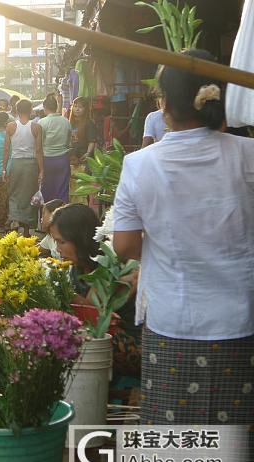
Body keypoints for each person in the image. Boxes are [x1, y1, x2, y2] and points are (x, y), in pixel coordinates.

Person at [113, 49, 254, 437]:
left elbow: (123, 245)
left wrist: (173, 248)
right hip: (240, 320)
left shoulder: (140, 164)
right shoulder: (248, 156)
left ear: (164, 103)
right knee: (234, 442)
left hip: (172, 320)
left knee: (175, 440)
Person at [50, 204, 140, 377]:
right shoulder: (76, 268)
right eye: (55, 242)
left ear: (80, 239)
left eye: (62, 242)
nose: (58, 249)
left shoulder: (111, 264)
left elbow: (92, 313)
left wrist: (62, 292)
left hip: (131, 346)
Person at [3, 99, 44, 237]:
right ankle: (26, 229)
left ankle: (15, 220)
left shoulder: (10, 126)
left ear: (16, 110)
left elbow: (6, 150)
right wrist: (41, 170)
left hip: (15, 163)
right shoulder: (36, 127)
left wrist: (4, 169)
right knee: (29, 195)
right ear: (31, 109)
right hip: (31, 164)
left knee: (14, 193)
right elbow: (38, 150)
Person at [38, 93, 72, 202]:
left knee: (47, 190)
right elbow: (68, 141)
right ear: (56, 107)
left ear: (45, 108)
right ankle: (63, 215)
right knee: (62, 190)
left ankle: (47, 215)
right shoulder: (66, 121)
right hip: (63, 158)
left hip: (47, 159)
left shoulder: (42, 122)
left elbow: (39, 143)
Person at [68, 96, 97, 205]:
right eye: (75, 106)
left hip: (83, 161)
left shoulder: (89, 123)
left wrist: (88, 153)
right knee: (72, 190)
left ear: (86, 109)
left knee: (82, 191)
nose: (77, 109)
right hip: (71, 160)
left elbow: (92, 141)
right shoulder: (70, 122)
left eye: (80, 107)